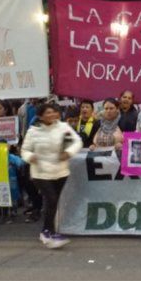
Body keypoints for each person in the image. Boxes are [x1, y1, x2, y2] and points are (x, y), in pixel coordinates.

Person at [21, 103, 82, 249]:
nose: (51, 115)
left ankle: (46, 231)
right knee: (51, 199)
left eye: (54, 112)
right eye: (48, 113)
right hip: (40, 172)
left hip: (60, 171)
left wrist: (68, 152)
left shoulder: (63, 128)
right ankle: (50, 231)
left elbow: (76, 141)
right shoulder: (33, 131)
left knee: (53, 202)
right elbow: (24, 150)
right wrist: (30, 157)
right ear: (40, 116)